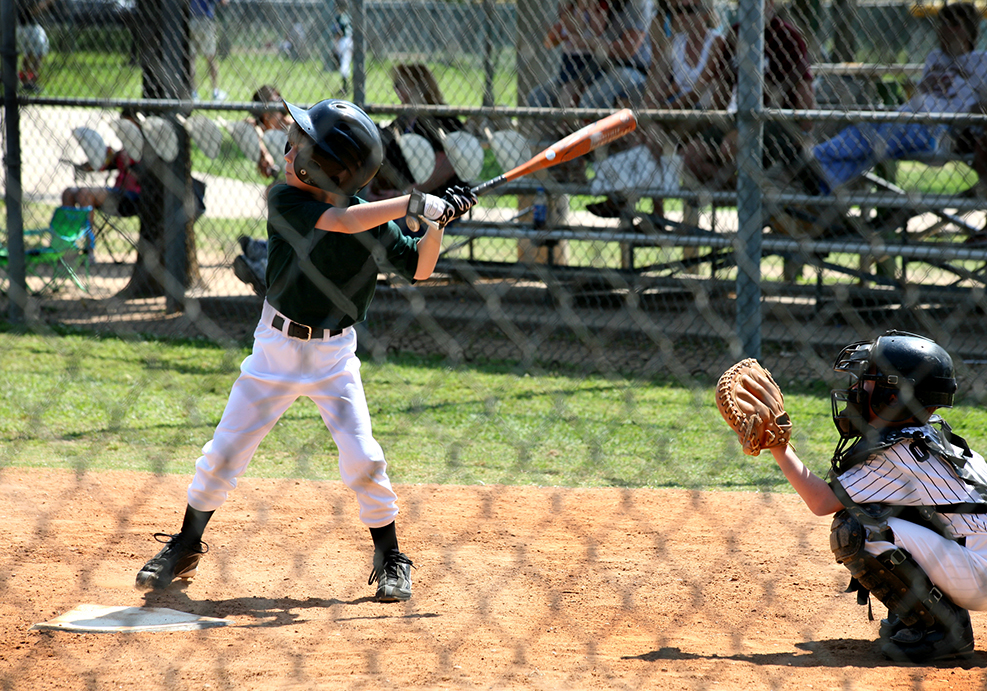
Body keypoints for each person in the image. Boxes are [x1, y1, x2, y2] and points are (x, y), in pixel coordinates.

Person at [134, 98, 477, 602]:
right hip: (275, 347)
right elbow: (339, 223)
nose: (289, 147)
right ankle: (186, 541)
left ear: (325, 167)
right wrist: (413, 203)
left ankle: (390, 557)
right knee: (224, 453)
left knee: (364, 458)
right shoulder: (287, 201)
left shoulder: (373, 221)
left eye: (301, 145)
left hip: (333, 357)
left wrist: (436, 224)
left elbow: (422, 270)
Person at [767, 330, 987, 662]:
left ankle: (940, 630)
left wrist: (780, 449)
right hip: (976, 558)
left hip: (978, 571)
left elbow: (823, 503)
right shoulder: (928, 434)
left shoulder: (895, 453)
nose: (854, 390)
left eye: (866, 383)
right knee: (889, 512)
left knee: (857, 528)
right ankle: (926, 613)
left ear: (894, 397)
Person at [809, 3, 987, 195]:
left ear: (969, 30)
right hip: (908, 117)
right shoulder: (936, 57)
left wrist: (961, 118)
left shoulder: (981, 60)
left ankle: (813, 161)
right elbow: (921, 95)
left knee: (868, 137)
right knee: (864, 134)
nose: (944, 30)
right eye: (941, 23)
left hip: (939, 130)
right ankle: (819, 190)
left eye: (953, 24)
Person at [587, 0, 729, 217]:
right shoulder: (675, 43)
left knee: (652, 127)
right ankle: (651, 210)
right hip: (674, 113)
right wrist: (648, 108)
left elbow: (697, 92)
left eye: (689, 10)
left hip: (703, 114)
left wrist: (661, 109)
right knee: (646, 132)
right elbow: (656, 81)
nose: (681, 17)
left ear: (705, 13)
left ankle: (629, 200)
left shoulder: (716, 42)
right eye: (677, 11)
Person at [682, 0, 815, 190]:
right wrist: (713, 122)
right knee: (691, 156)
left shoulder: (787, 36)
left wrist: (804, 132)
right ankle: (756, 191)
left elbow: (805, 93)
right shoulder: (736, 34)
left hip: (779, 119)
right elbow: (722, 91)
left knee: (732, 145)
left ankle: (755, 195)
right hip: (741, 115)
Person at [363, 63, 469, 236]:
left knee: (394, 228)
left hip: (438, 202)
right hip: (403, 200)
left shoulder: (440, 118)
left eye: (400, 83)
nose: (395, 88)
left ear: (417, 86)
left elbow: (448, 164)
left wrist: (408, 193)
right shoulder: (402, 121)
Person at [62, 108, 143, 220]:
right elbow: (102, 165)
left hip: (131, 196)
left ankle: (88, 236)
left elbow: (145, 179)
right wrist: (92, 164)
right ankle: (68, 233)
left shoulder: (145, 150)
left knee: (84, 193)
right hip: (116, 191)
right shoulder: (123, 150)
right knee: (68, 193)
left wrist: (129, 166)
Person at [190, 0, 229, 101]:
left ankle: (193, 92)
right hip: (205, 21)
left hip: (191, 20)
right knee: (211, 58)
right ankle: (215, 92)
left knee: (191, 59)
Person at [16, 0, 53, 93]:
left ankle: (27, 81)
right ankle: (28, 80)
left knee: (31, 54)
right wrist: (45, 4)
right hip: (27, 27)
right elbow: (31, 11)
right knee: (34, 53)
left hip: (29, 27)